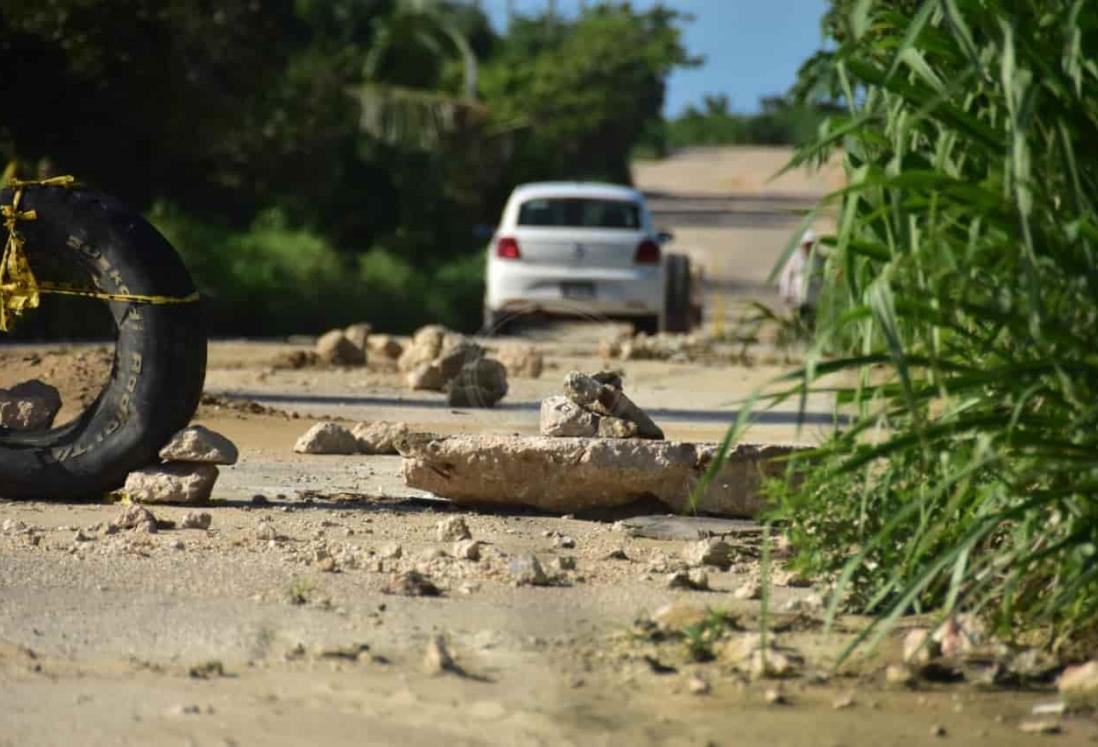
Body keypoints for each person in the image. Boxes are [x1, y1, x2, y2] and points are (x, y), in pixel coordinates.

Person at [778, 229, 822, 327]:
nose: (808, 248)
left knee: (812, 320)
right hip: (797, 296)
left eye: (811, 245)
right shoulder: (795, 259)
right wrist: (785, 293)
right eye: (806, 245)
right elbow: (786, 277)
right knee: (797, 320)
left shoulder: (819, 259)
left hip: (814, 297)